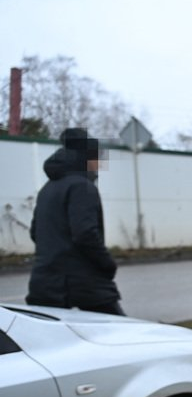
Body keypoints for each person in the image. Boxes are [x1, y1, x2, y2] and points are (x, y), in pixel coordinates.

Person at [26, 127, 123, 314]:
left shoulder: (48, 188)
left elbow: (35, 232)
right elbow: (85, 233)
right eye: (97, 158)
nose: (99, 164)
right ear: (86, 158)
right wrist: (107, 263)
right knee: (118, 332)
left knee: (49, 339)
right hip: (82, 283)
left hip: (45, 282)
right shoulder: (82, 187)